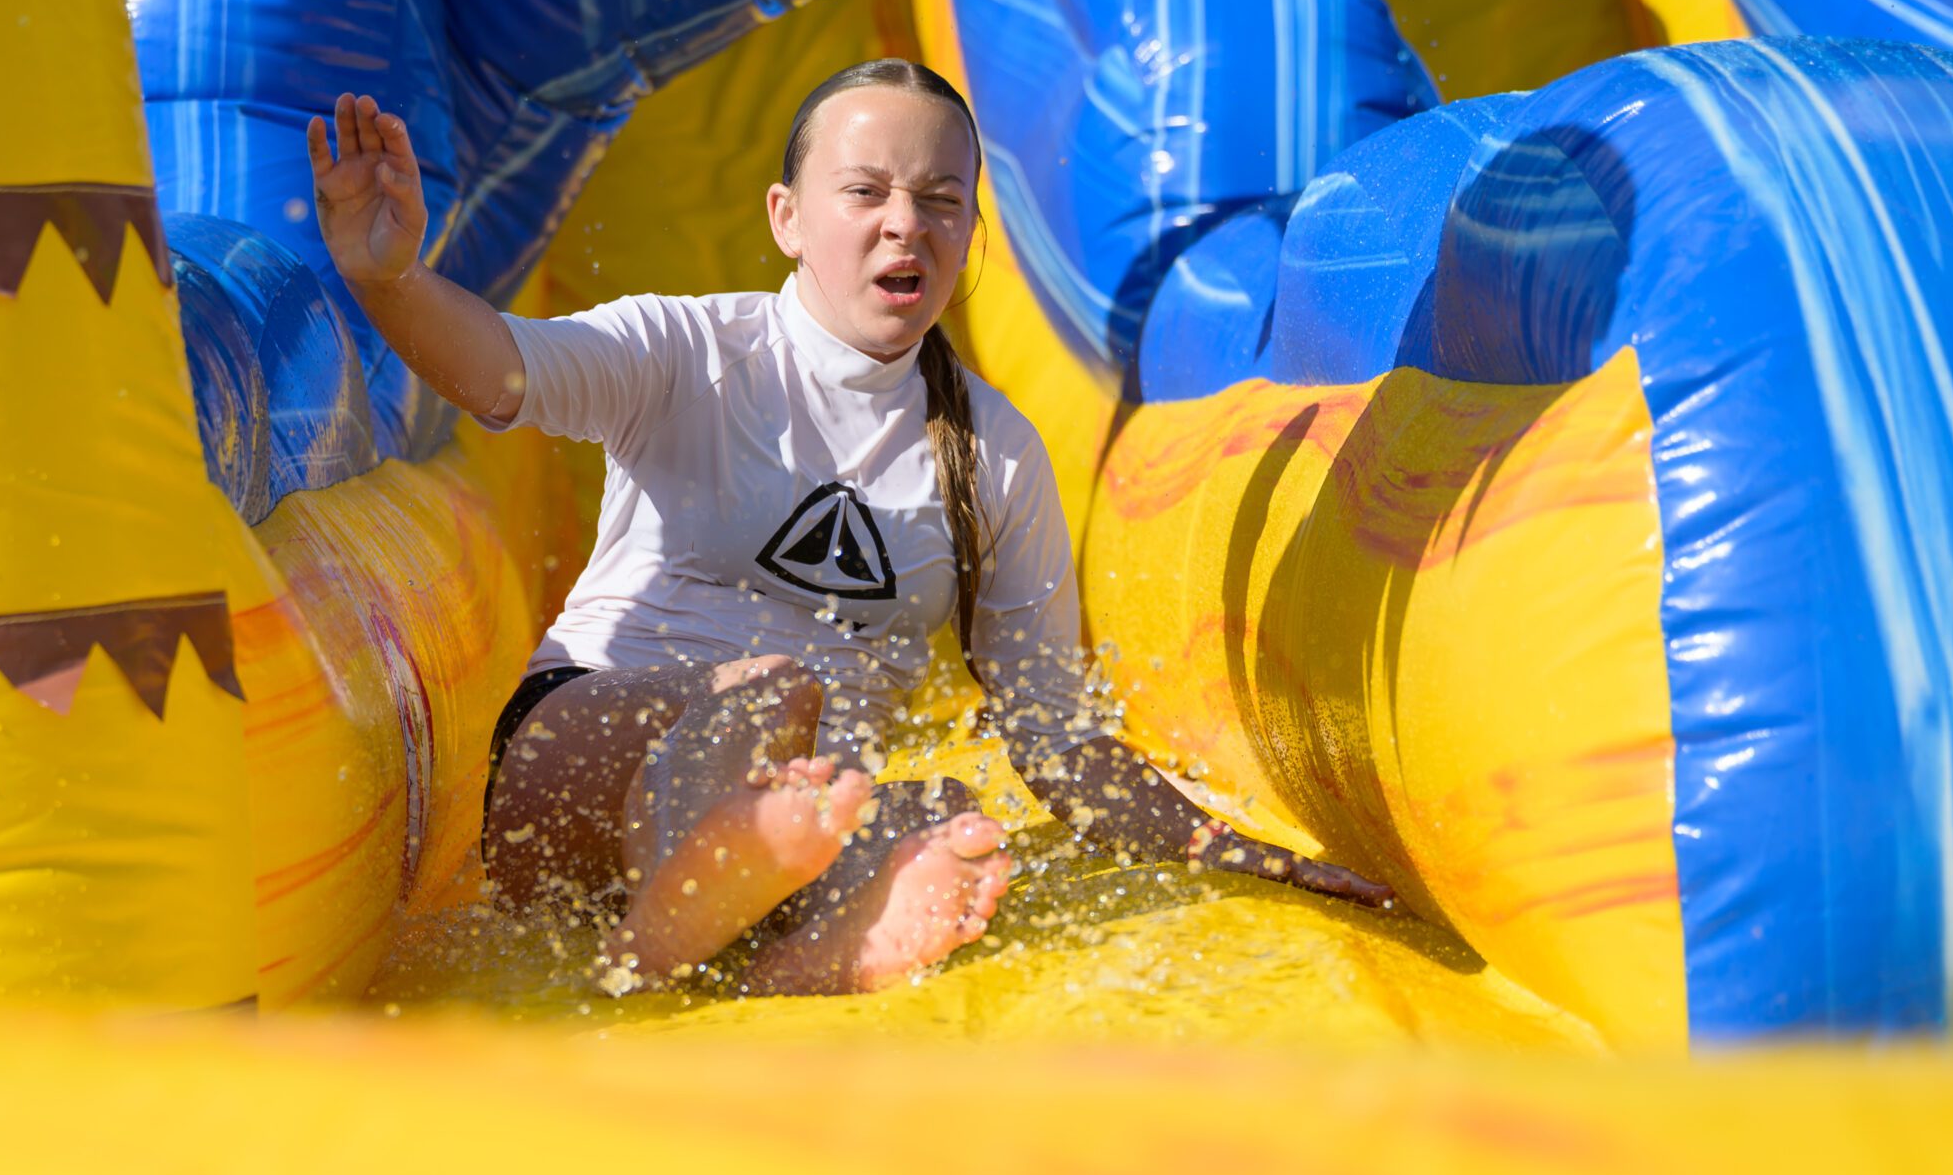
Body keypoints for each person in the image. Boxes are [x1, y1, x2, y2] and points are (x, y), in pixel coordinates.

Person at [306, 62, 1394, 996]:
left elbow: (1060, 742)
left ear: (968, 230)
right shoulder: (687, 354)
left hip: (795, 816)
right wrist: (390, 281)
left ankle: (774, 933)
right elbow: (497, 372)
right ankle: (680, 935)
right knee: (776, 691)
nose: (903, 223)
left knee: (945, 816)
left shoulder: (992, 453)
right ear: (786, 215)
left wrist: (1240, 851)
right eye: (865, 190)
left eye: (940, 200)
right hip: (583, 763)